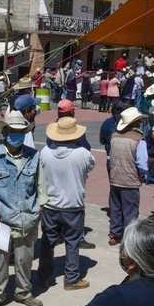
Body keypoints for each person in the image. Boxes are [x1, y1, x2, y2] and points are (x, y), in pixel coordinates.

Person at [0, 111, 48, 306]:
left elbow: (41, 186)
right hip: (1, 219)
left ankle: (23, 292)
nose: (16, 135)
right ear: (5, 132)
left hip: (28, 218)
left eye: (20, 132)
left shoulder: (34, 156)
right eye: (12, 131)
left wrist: (38, 210)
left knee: (24, 260)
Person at [38, 115, 96, 290]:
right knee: (73, 241)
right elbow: (90, 166)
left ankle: (44, 276)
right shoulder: (84, 154)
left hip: (50, 205)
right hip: (73, 205)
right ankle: (71, 278)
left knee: (48, 242)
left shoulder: (45, 152)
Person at [108, 107, 149, 245]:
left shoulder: (114, 136)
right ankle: (128, 237)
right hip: (130, 179)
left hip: (115, 178)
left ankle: (114, 234)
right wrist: (143, 175)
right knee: (130, 210)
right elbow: (142, 164)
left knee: (115, 208)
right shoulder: (138, 139)